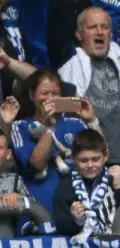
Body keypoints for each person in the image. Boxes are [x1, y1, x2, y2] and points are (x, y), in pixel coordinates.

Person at [58, 7, 120, 173]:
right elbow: (57, 105)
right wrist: (75, 105)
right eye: (92, 27)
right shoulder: (67, 60)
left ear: (111, 33)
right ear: (78, 34)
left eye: (105, 27)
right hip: (86, 162)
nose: (99, 32)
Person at [9, 69, 94, 231]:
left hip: (75, 212)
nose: (50, 98)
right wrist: (49, 128)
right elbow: (37, 164)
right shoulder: (20, 126)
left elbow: (101, 156)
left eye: (55, 93)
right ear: (32, 95)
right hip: (38, 213)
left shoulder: (75, 124)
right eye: (44, 93)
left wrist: (91, 120)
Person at [51, 128, 120, 237]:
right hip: (82, 245)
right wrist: (76, 221)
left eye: (95, 159)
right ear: (73, 158)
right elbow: (61, 228)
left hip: (117, 242)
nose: (90, 165)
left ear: (105, 156)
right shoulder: (65, 187)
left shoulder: (117, 180)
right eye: (83, 160)